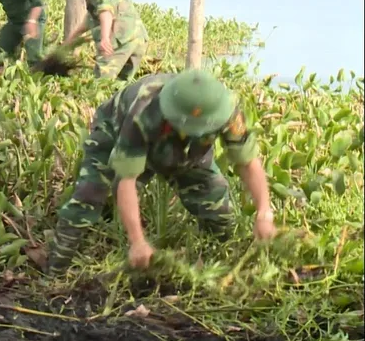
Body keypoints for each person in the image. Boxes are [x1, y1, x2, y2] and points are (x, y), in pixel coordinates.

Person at [47, 69, 278, 273]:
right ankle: (54, 270)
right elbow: (126, 180)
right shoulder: (145, 111)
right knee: (89, 196)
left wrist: (263, 212)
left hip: (187, 151)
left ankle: (215, 267)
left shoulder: (225, 110)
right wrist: (137, 242)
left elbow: (248, 162)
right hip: (116, 131)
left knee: (218, 207)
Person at [60, 0, 149, 80]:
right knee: (120, 85)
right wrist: (71, 39)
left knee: (101, 85)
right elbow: (91, 18)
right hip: (137, 38)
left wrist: (105, 38)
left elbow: (105, 11)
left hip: (119, 40)